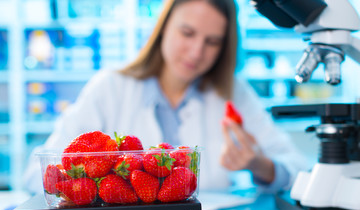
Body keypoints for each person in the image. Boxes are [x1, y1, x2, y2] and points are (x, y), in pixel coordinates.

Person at [24, 0, 307, 194]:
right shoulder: (109, 88)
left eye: (212, 42)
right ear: (163, 28)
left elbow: (299, 169)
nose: (197, 52)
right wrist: (99, 184)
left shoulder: (234, 94)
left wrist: (258, 164)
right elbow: (38, 176)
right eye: (187, 33)